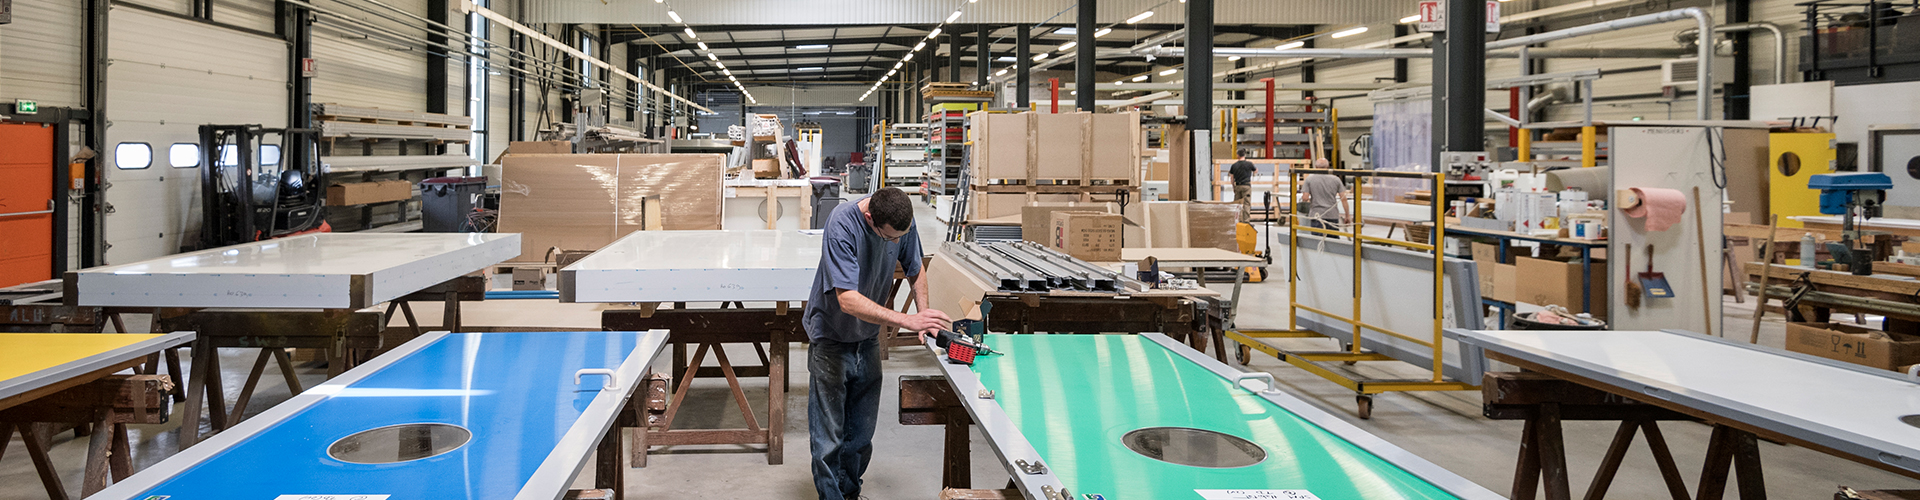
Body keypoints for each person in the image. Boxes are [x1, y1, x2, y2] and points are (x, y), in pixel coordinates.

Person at [804, 187, 952, 500]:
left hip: (867, 338)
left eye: (903, 235)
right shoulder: (841, 225)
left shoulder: (899, 222)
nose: (897, 242)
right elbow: (848, 300)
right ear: (870, 218)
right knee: (828, 436)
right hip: (831, 337)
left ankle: (851, 494)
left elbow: (915, 268)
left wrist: (924, 315)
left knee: (860, 435)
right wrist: (906, 319)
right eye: (890, 238)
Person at [1298, 157, 1348, 230]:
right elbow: (1344, 199)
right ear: (1328, 167)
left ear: (1316, 167)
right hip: (1332, 215)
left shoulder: (1309, 179)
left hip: (1317, 215)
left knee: (1318, 239)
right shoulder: (1336, 179)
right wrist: (1347, 216)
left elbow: (1305, 198)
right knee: (1332, 239)